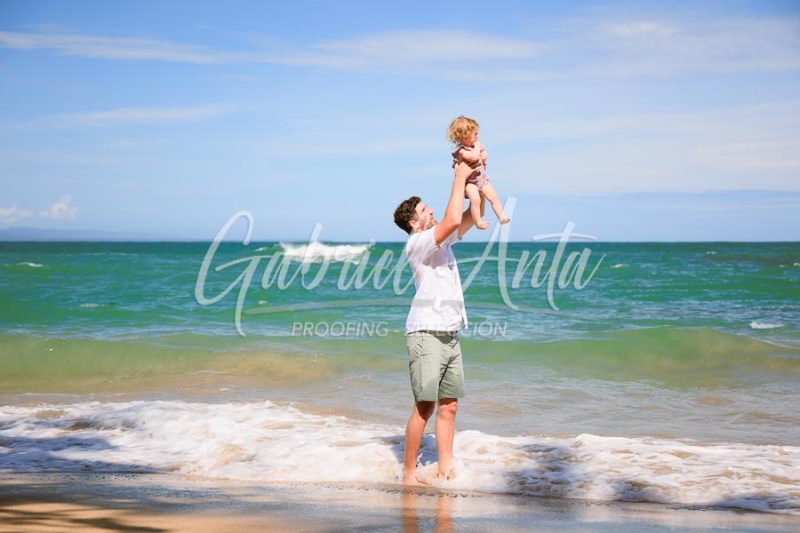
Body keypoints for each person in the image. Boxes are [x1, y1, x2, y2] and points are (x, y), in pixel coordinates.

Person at [392, 160, 484, 485]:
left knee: (450, 406)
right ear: (415, 223)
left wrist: (476, 182)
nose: (430, 211)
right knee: (425, 406)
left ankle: (445, 472)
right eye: (425, 209)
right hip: (425, 333)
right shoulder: (418, 244)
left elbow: (470, 216)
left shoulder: (441, 241)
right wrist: (458, 174)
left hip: (449, 334)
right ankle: (408, 474)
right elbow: (451, 219)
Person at [447, 115, 511, 230]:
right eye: (473, 134)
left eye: (476, 133)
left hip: (482, 179)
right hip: (469, 182)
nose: (476, 137)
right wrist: (477, 147)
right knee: (476, 200)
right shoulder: (461, 150)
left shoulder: (477, 146)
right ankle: (478, 222)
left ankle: (501, 216)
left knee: (493, 197)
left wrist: (484, 156)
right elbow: (474, 157)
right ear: (463, 137)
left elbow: (482, 157)